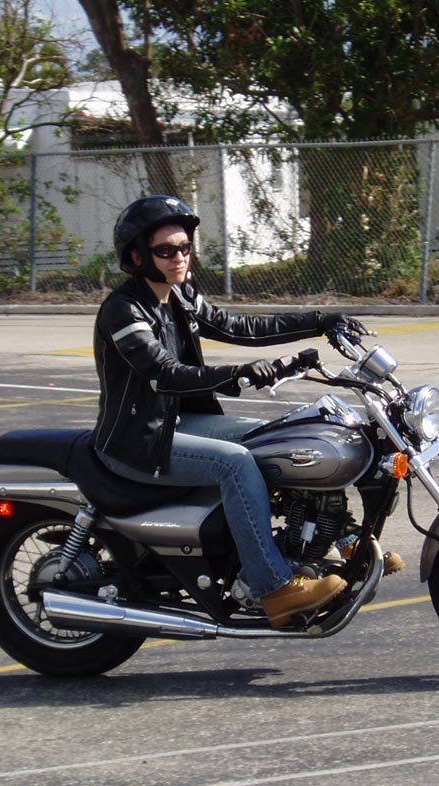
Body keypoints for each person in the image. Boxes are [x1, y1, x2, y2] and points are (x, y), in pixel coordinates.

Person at [93, 195, 365, 627]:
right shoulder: (123, 310)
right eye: (166, 250)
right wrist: (236, 374)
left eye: (185, 247)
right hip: (140, 441)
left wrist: (321, 320)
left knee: (279, 439)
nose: (179, 257)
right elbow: (164, 373)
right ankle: (273, 587)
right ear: (138, 256)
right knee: (234, 464)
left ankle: (344, 540)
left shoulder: (179, 295)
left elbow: (240, 327)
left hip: (177, 424)